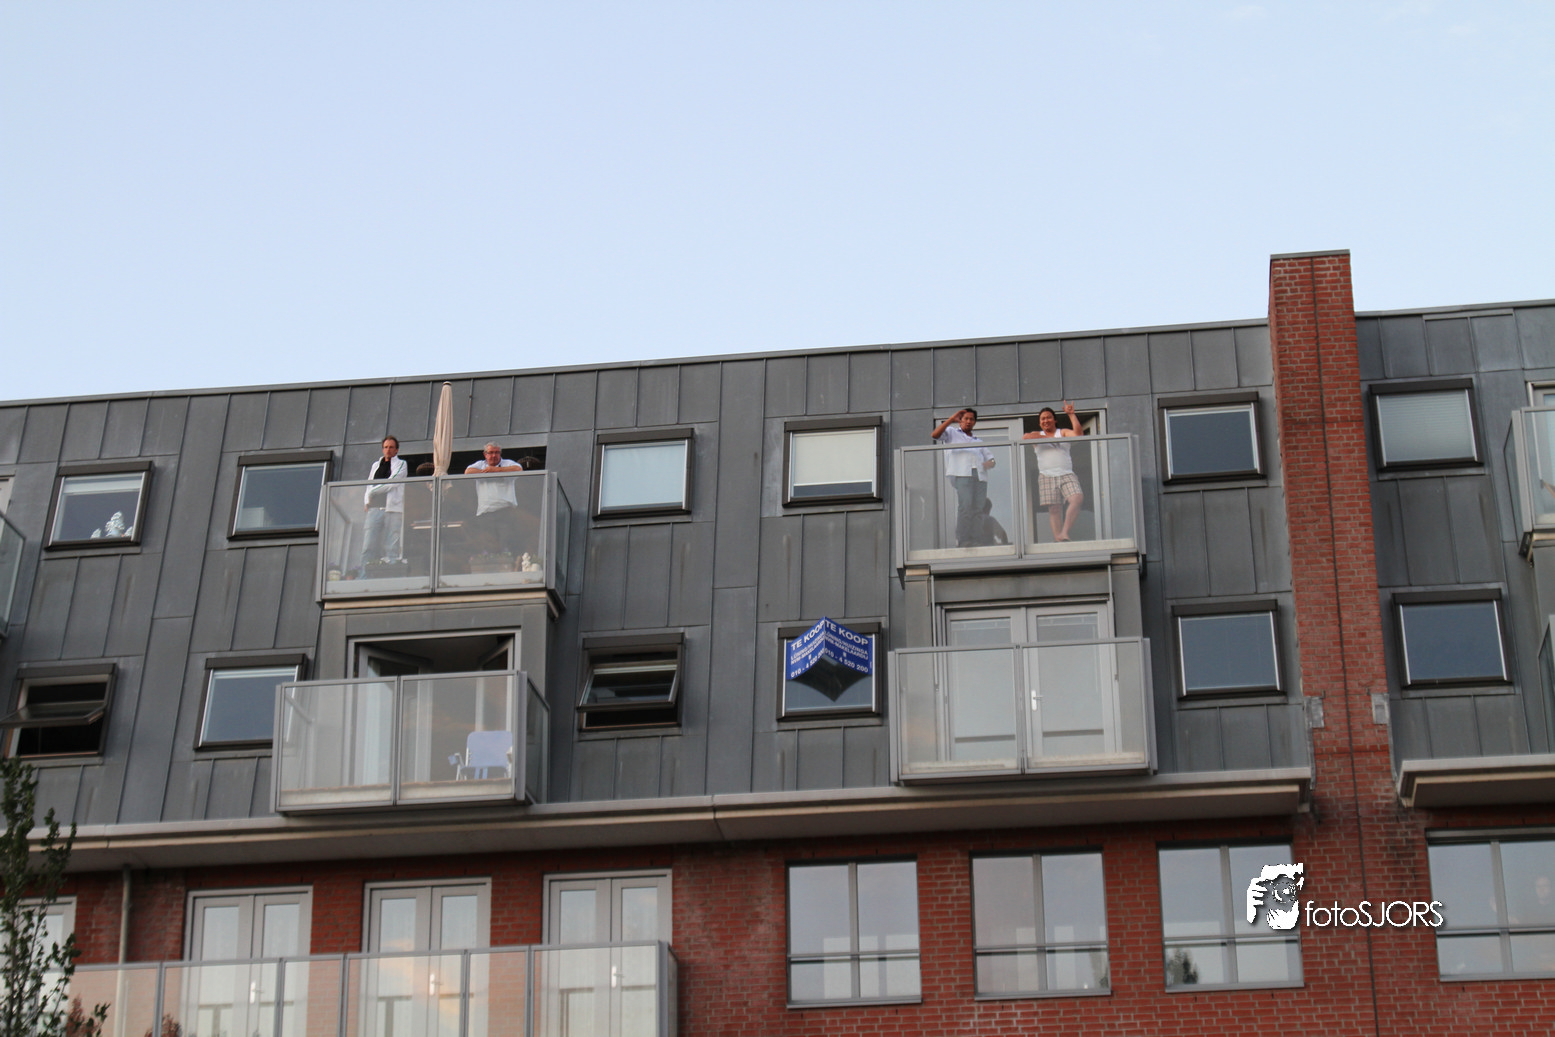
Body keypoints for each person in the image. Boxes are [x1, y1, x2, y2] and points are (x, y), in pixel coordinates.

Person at [931, 408, 995, 548]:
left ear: (975, 422)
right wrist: (951, 419)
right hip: (962, 474)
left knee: (978, 509)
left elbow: (992, 459)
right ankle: (963, 539)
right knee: (965, 506)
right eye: (965, 418)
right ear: (960, 421)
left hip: (980, 476)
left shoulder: (979, 441)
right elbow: (935, 435)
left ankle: (976, 539)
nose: (968, 421)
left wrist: (989, 464)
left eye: (971, 419)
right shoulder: (952, 433)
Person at [1023, 402, 1084, 542]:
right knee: (1054, 509)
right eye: (1043, 419)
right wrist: (1049, 439)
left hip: (1066, 473)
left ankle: (1064, 532)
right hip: (1046, 475)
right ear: (1039, 422)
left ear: (1055, 420)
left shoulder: (1062, 433)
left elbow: (1078, 434)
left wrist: (1071, 415)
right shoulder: (1037, 435)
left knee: (1077, 499)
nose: (1046, 420)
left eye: (1049, 417)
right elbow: (1026, 437)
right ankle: (1059, 539)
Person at [465, 443, 526, 563]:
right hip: (486, 513)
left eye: (497, 452)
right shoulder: (480, 465)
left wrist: (498, 470)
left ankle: (510, 565)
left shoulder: (507, 463)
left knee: (507, 541)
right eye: (491, 452)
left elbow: (519, 469)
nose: (494, 455)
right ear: (485, 454)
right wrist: (486, 472)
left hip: (505, 511)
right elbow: (468, 472)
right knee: (489, 544)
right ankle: (491, 565)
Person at [361, 436, 407, 570]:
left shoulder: (401, 464)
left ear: (396, 450)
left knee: (391, 546)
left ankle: (391, 573)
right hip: (374, 509)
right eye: (386, 447)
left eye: (391, 447)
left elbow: (392, 483)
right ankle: (364, 576)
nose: (388, 450)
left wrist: (372, 492)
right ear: (382, 449)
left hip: (393, 510)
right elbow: (368, 484)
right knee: (368, 545)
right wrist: (366, 501)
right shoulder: (376, 465)